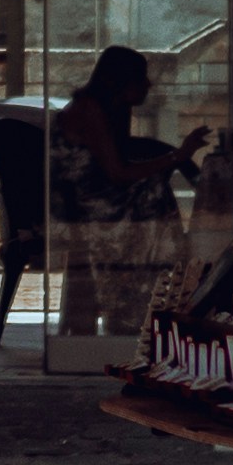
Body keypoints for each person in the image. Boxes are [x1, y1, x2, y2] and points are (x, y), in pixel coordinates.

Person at [47, 46, 190, 342]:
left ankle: (154, 298)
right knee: (153, 195)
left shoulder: (110, 109)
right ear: (123, 81)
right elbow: (118, 172)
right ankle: (138, 306)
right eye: (142, 78)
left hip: (94, 197)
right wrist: (177, 157)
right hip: (80, 207)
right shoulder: (90, 109)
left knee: (153, 191)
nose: (148, 84)